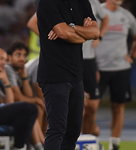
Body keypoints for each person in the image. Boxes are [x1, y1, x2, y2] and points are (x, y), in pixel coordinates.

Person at [37, 0, 100, 149]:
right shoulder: (47, 2)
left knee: (73, 131)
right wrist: (83, 34)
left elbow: (95, 33)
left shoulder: (82, 2)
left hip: (76, 74)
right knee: (57, 129)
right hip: (55, 74)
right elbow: (63, 33)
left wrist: (71, 27)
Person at [94, 0, 136, 150]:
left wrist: (132, 56)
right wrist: (91, 64)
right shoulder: (97, 11)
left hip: (120, 69)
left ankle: (114, 143)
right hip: (98, 68)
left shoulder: (126, 15)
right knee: (89, 107)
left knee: (118, 106)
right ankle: (89, 138)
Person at [5, 41, 45, 150]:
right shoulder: (8, 69)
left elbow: (28, 95)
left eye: (24, 56)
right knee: (32, 109)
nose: (22, 59)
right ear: (9, 57)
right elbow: (18, 97)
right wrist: (36, 100)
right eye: (18, 55)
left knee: (38, 108)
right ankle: (40, 145)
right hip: (4, 106)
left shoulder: (17, 71)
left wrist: (24, 76)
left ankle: (37, 144)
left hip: (13, 106)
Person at [82, 0, 109, 136]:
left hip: (89, 61)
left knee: (92, 106)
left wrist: (100, 36)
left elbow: (105, 18)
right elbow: (33, 22)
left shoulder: (93, 2)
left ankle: (87, 139)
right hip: (71, 60)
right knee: (77, 105)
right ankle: (75, 139)